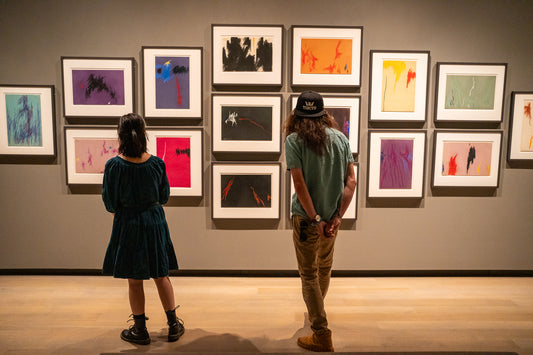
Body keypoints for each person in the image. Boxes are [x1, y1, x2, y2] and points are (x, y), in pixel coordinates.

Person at [102, 113, 184, 345]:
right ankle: (173, 325)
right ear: (144, 134)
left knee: (134, 279)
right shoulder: (157, 163)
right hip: (155, 221)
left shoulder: (114, 166)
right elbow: (164, 196)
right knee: (161, 274)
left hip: (128, 222)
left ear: (121, 135)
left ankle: (140, 330)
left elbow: (110, 202)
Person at [285, 91, 356, 352]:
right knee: (324, 268)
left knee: (308, 274)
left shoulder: (294, 140)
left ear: (297, 116)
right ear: (324, 114)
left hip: (307, 220)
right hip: (331, 221)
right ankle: (317, 311)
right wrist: (336, 217)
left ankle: (321, 331)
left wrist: (314, 219)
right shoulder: (341, 139)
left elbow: (299, 184)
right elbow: (351, 182)